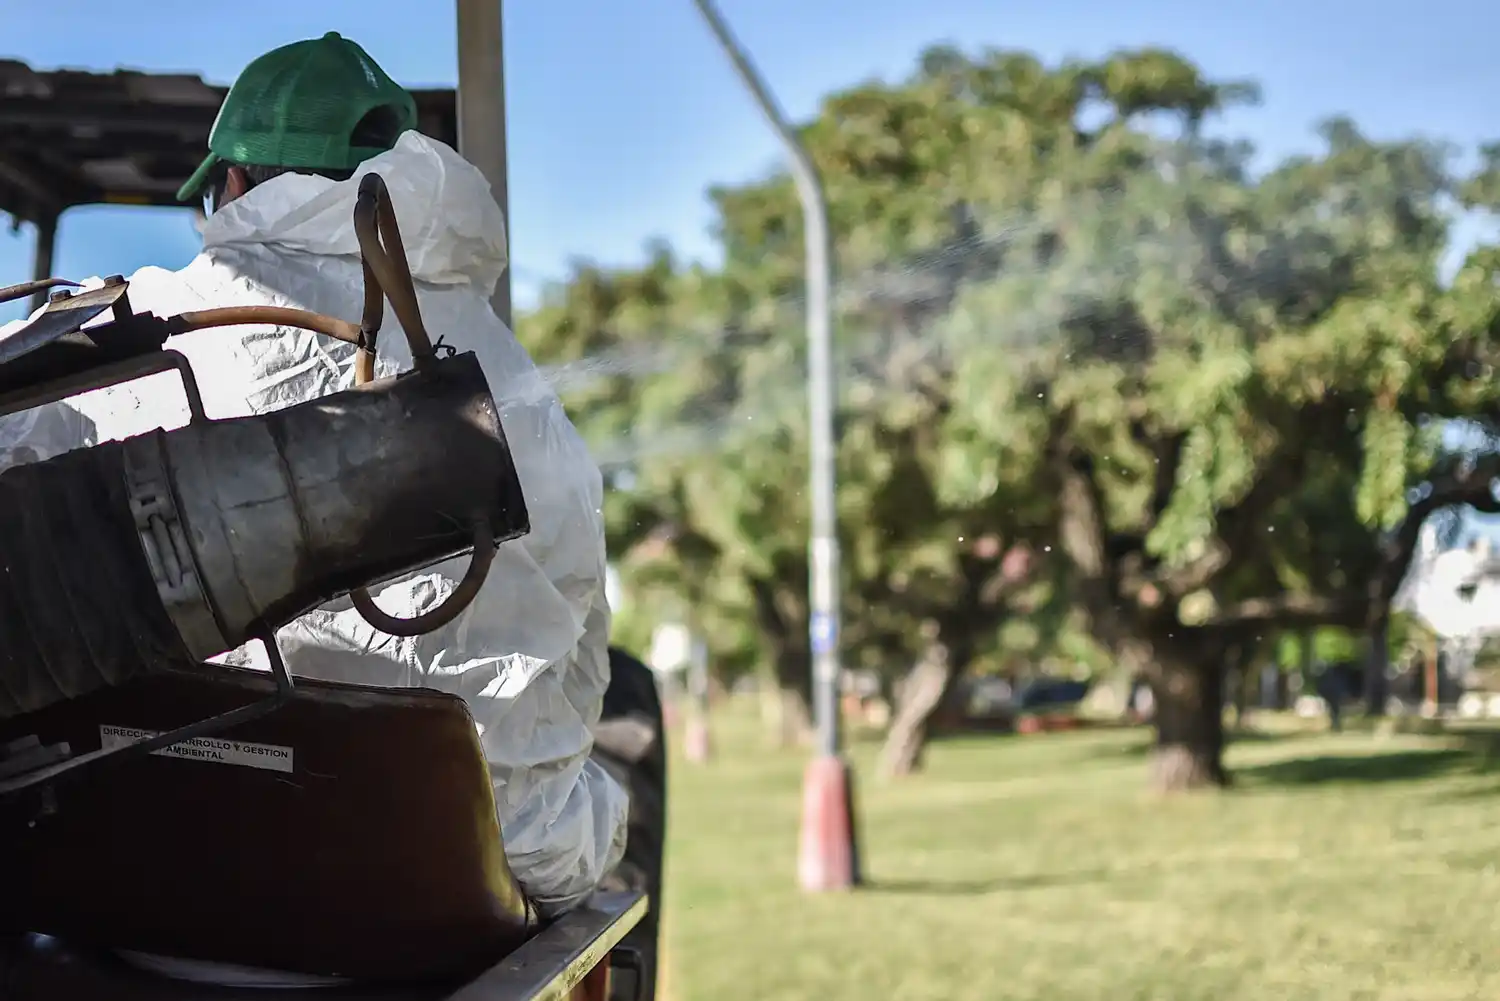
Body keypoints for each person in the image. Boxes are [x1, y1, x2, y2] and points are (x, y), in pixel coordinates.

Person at [5, 32, 629, 979]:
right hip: (423, 907)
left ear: (234, 183)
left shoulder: (111, 337)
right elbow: (577, 661)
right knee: (604, 798)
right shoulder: (515, 387)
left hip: (115, 889)